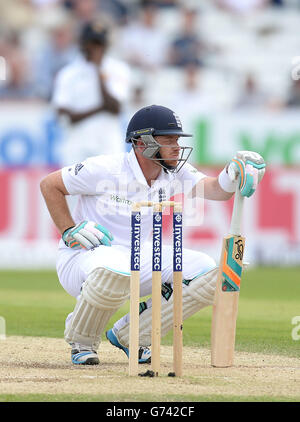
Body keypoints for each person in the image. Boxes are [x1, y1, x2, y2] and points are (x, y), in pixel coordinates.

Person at [40, 104, 265, 365]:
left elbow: (216, 190)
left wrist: (232, 173)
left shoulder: (174, 172)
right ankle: (82, 341)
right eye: (168, 139)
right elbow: (50, 184)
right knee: (113, 270)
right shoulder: (104, 168)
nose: (177, 146)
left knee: (206, 271)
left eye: (178, 139)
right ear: (141, 142)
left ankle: (132, 334)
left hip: (137, 256)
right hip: (84, 256)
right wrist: (69, 229)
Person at [52, 20, 131, 166]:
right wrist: (100, 108)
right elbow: (64, 114)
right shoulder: (68, 74)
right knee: (74, 189)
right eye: (92, 44)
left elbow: (115, 107)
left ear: (106, 46)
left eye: (99, 44)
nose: (96, 49)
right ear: (82, 44)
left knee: (109, 188)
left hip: (108, 147)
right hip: (76, 148)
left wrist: (98, 72)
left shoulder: (119, 69)